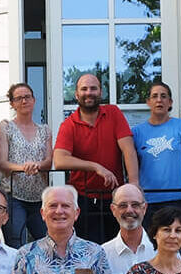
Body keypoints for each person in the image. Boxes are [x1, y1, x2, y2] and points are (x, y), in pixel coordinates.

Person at [54, 73, 139, 243]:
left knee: (119, 247)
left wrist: (134, 185)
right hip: (83, 198)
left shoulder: (113, 113)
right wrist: (96, 167)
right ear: (76, 94)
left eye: (93, 88)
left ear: (101, 92)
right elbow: (59, 160)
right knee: (87, 250)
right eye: (84, 89)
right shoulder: (69, 124)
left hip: (115, 197)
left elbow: (128, 149)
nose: (89, 93)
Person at [132, 82, 181, 258]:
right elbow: (131, 163)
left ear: (170, 102)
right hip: (148, 201)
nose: (159, 100)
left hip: (178, 198)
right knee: (149, 252)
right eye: (154, 96)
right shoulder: (137, 132)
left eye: (163, 96)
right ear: (148, 102)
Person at [0, 82, 51, 246]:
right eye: (18, 98)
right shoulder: (6, 127)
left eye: (27, 97)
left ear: (34, 100)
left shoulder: (44, 130)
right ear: (12, 103)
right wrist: (24, 168)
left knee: (46, 243)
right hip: (14, 196)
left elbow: (49, 162)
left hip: (39, 197)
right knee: (15, 243)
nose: (24, 101)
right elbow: (2, 163)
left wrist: (38, 166)